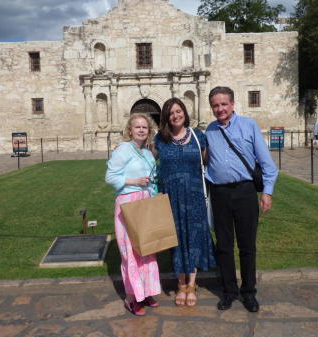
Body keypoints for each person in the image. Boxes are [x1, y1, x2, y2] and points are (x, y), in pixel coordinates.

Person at [205, 86, 278, 312]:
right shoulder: (209, 130)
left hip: (245, 192)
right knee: (224, 247)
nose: (220, 109)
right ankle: (229, 291)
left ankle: (248, 292)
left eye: (224, 104)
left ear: (233, 104)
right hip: (219, 194)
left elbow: (267, 164)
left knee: (247, 246)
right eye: (216, 105)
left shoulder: (249, 126)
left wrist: (267, 192)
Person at [153, 97, 216, 307]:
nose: (175, 115)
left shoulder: (198, 136)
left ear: (184, 113)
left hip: (195, 196)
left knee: (194, 237)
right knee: (177, 239)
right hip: (170, 198)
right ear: (166, 117)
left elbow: (207, 161)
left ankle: (192, 283)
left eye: (178, 111)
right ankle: (180, 284)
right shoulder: (160, 139)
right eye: (171, 113)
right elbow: (146, 160)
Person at [105, 113, 161, 316]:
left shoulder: (147, 153)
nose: (141, 130)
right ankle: (131, 298)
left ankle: (145, 292)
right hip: (128, 203)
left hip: (145, 202)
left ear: (149, 131)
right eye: (137, 127)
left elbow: (152, 179)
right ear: (130, 130)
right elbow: (110, 177)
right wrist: (135, 182)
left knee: (146, 249)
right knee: (130, 252)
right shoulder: (123, 149)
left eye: (144, 127)